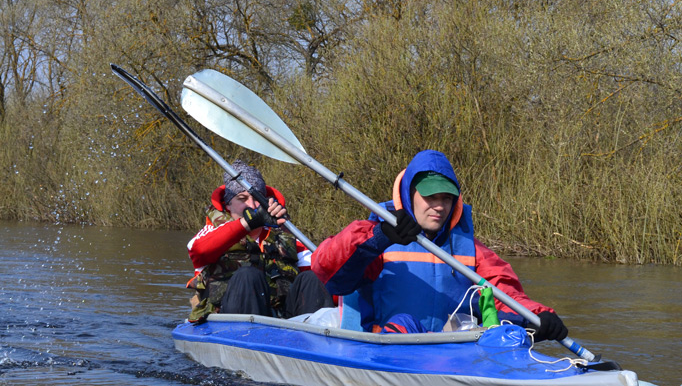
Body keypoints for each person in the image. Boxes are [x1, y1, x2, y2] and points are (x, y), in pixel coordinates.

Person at [311, 149, 568, 340]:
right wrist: (380, 237)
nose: (439, 206)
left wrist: (536, 315)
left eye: (446, 198)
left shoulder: (471, 250)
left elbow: (505, 293)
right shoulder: (377, 237)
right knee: (404, 321)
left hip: (449, 353)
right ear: (410, 195)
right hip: (386, 351)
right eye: (430, 196)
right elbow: (326, 269)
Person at [186, 160, 332, 322]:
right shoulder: (211, 232)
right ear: (228, 205)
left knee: (312, 278)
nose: (252, 205)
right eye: (242, 199)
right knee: (248, 275)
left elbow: (326, 274)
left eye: (257, 198)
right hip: (228, 319)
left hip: (281, 319)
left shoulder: (287, 237)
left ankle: (316, 333)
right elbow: (198, 251)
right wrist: (249, 222)